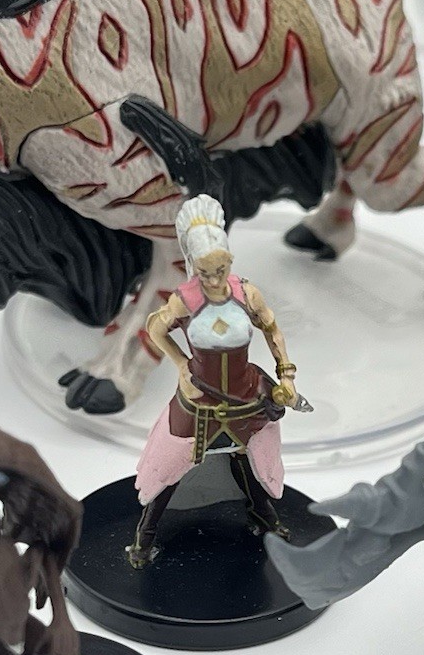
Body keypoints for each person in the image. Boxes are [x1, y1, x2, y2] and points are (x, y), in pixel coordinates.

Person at [129, 196, 301, 566]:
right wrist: (180, 365)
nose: (213, 278)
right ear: (193, 264)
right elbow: (155, 328)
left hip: (247, 395)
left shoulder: (246, 292)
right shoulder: (184, 299)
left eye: (220, 269)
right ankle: (145, 537)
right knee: (168, 468)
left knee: (252, 459)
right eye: (205, 271)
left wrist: (286, 374)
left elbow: (272, 328)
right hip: (198, 399)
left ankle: (264, 516)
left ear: (230, 261)